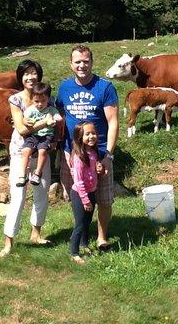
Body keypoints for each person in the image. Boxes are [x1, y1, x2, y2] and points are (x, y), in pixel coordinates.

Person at [56, 45, 119, 250]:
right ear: (71, 64)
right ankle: (81, 236)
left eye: (86, 61)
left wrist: (108, 155)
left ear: (92, 62)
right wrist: (63, 149)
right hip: (73, 152)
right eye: (78, 62)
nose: (82, 65)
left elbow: (113, 122)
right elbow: (61, 118)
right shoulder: (64, 88)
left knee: (104, 198)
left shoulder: (105, 87)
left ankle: (101, 237)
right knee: (79, 193)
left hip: (99, 152)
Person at [0, 60, 55, 257]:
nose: (30, 77)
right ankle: (8, 242)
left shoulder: (48, 97)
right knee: (18, 197)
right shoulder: (15, 99)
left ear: (38, 75)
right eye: (26, 74)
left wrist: (49, 131)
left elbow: (56, 122)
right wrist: (43, 123)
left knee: (41, 194)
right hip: (20, 153)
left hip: (42, 153)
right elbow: (22, 130)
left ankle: (36, 234)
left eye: (33, 73)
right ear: (20, 77)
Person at [70, 121, 104, 264]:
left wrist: (99, 169)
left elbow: (94, 171)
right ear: (79, 137)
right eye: (87, 134)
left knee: (88, 221)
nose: (91, 136)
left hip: (91, 191)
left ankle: (84, 244)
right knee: (80, 223)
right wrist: (85, 200)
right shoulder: (78, 156)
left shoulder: (93, 152)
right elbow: (78, 181)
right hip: (80, 194)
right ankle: (74, 252)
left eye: (93, 133)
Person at [16, 82, 62, 187]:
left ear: (48, 99)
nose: (40, 104)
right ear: (32, 99)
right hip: (33, 135)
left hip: (46, 136)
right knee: (25, 151)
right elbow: (25, 119)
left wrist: (55, 119)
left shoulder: (51, 109)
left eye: (43, 101)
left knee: (42, 151)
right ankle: (22, 174)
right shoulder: (31, 110)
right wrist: (25, 121)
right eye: (37, 101)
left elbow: (58, 116)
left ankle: (37, 173)